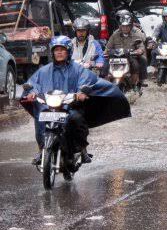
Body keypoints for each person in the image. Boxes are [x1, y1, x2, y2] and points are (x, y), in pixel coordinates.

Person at [22, 36, 130, 165]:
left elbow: (87, 80)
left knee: (76, 118)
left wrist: (81, 92)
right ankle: (42, 150)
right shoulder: (44, 70)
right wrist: (31, 92)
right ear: (52, 52)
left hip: (70, 106)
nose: (59, 52)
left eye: (62, 50)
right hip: (50, 106)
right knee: (39, 117)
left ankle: (82, 149)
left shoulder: (77, 69)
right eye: (56, 50)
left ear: (68, 51)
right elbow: (33, 83)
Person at [102, 14, 148, 90]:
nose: (125, 28)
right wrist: (106, 52)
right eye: (123, 26)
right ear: (120, 26)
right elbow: (108, 47)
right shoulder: (115, 35)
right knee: (105, 65)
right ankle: (106, 85)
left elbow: (141, 47)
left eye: (127, 26)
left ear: (130, 26)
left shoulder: (136, 34)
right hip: (115, 57)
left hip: (130, 57)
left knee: (137, 63)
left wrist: (139, 51)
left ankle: (135, 84)